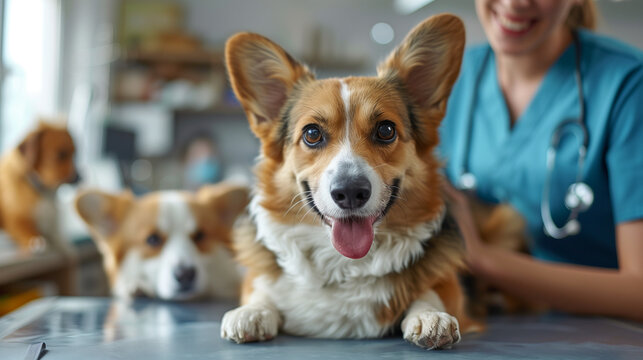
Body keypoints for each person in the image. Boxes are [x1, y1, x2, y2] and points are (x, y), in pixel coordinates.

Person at [439, 0, 643, 321]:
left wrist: (482, 258)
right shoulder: (449, 78)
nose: (514, 3)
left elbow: (639, 291)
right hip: (498, 324)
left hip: (609, 334)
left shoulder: (628, 85)